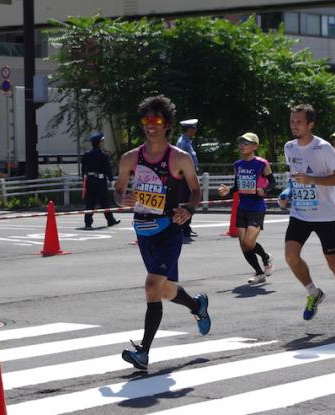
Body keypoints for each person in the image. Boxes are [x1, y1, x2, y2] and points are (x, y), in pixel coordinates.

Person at [114, 95, 210, 371]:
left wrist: (188, 209)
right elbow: (118, 191)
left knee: (151, 286)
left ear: (167, 125)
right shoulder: (130, 158)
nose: (150, 125)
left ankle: (143, 352)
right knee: (166, 290)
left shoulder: (179, 158)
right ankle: (197, 306)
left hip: (169, 230)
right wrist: (122, 199)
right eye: (146, 120)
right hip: (143, 231)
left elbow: (196, 191)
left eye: (156, 120)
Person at [279, 104, 335, 330]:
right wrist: (287, 193)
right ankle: (313, 292)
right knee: (291, 257)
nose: (294, 125)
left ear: (310, 124)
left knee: (334, 263)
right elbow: (295, 178)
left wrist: (312, 180)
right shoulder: (289, 147)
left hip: (324, 215)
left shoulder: (323, 148)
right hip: (300, 213)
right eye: (292, 121)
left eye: (299, 122)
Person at [218, 132, 276, 284]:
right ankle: (259, 273)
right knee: (243, 245)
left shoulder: (262, 163)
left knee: (249, 243)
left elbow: (273, 183)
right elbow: (237, 187)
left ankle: (266, 257)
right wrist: (228, 191)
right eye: (241, 143)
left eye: (246, 143)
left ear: (255, 146)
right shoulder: (237, 165)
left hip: (256, 207)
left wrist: (265, 190)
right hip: (242, 207)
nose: (242, 145)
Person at [81, 132, 120, 229]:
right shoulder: (103, 155)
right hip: (100, 180)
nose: (103, 143)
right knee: (104, 201)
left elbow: (83, 169)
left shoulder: (87, 154)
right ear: (99, 143)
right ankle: (110, 220)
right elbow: (107, 169)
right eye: (102, 141)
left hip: (90, 180)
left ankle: (88, 222)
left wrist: (84, 179)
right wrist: (111, 179)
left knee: (90, 202)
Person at [176, 118, 199, 239]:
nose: (195, 130)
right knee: (186, 200)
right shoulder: (183, 143)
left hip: (187, 176)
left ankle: (185, 227)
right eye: (194, 128)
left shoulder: (186, 141)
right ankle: (183, 228)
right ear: (189, 129)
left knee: (187, 200)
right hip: (185, 177)